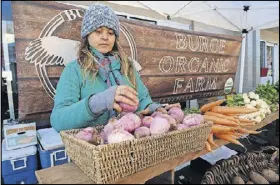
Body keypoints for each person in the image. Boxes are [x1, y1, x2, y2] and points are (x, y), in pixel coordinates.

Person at [50, 3, 167, 132]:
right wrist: (98, 102)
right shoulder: (74, 70)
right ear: (87, 35)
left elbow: (143, 100)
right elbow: (58, 121)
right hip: (94, 147)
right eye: (98, 31)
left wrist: (154, 109)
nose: (105, 37)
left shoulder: (127, 66)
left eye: (110, 33)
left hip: (131, 144)